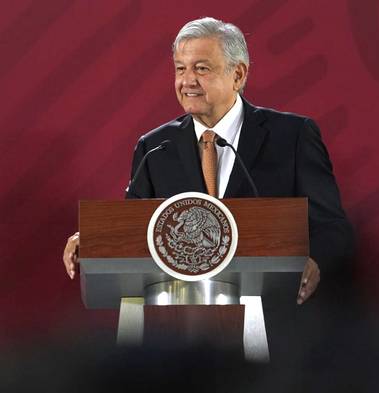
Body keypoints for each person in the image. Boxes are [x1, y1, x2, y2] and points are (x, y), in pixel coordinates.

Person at [63, 17, 354, 363]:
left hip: (279, 338)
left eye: (201, 69)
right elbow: (136, 231)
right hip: (178, 341)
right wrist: (95, 241)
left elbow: (333, 227)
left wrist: (316, 259)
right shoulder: (156, 147)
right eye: (180, 68)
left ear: (239, 74)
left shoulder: (292, 136)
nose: (187, 81)